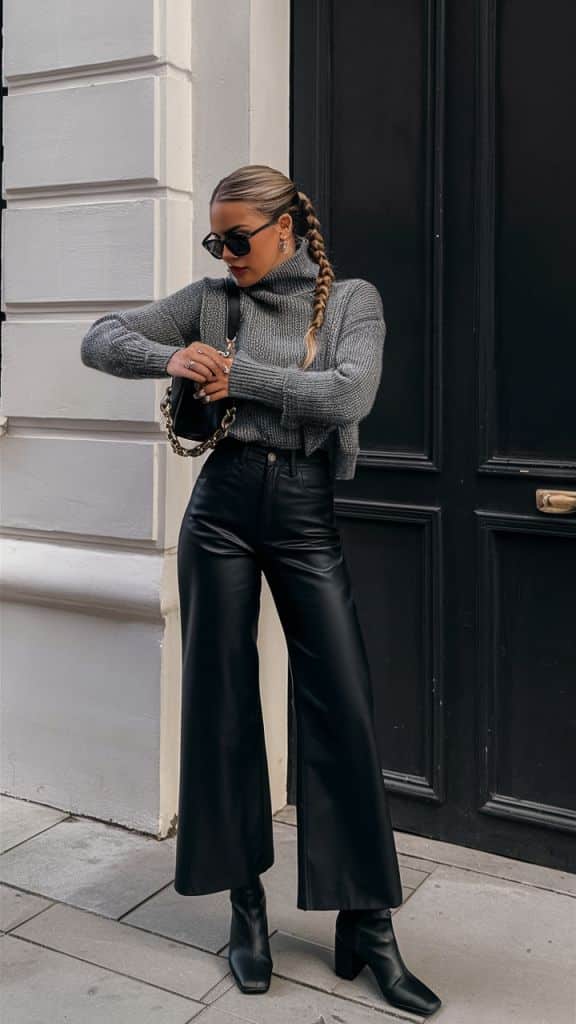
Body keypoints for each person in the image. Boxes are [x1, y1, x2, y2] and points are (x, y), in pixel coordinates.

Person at [80, 164, 441, 1016]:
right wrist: (173, 353)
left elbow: (351, 393)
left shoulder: (351, 299)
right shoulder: (209, 300)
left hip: (305, 510)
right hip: (223, 510)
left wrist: (239, 378)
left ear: (286, 228)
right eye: (216, 238)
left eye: (238, 237)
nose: (226, 252)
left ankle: (370, 926)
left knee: (340, 704)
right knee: (222, 701)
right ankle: (247, 911)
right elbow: (99, 337)